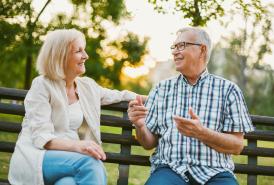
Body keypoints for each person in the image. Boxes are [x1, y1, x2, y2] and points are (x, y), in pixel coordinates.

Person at [8, 28, 139, 185]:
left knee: (68, 183)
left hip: (70, 162)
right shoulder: (42, 85)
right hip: (38, 156)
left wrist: (155, 96)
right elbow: (41, 138)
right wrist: (79, 146)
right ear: (61, 56)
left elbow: (120, 95)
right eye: (79, 51)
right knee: (90, 164)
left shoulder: (86, 86)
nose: (86, 56)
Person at [128, 27, 254, 185]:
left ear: (202, 49)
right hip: (170, 169)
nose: (175, 52)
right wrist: (140, 125)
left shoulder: (228, 90)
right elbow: (149, 143)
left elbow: (237, 146)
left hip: (215, 172)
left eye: (181, 46)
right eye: (174, 47)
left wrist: (202, 133)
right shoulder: (161, 89)